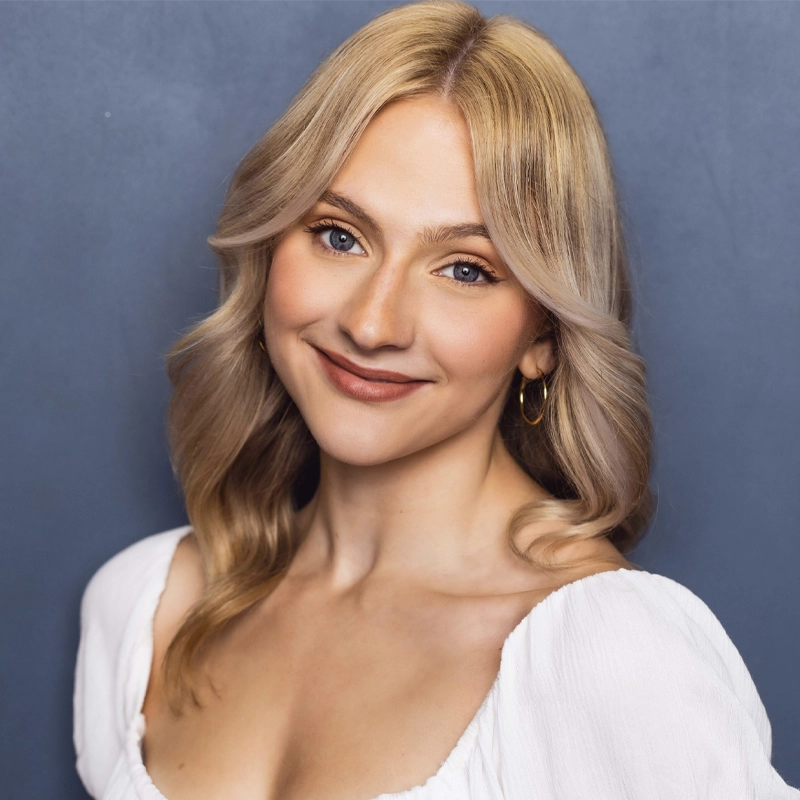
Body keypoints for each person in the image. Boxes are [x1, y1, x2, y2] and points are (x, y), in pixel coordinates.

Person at [72, 1, 800, 798]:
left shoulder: (612, 656)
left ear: (543, 337)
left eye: (465, 269)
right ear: (270, 243)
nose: (371, 322)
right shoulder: (145, 609)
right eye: (339, 235)